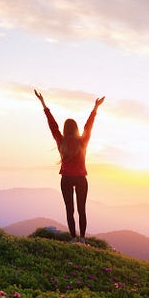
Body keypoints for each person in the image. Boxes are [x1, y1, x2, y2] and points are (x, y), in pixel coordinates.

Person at [35, 89, 105, 243]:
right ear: (76, 129)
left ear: (65, 129)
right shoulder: (82, 141)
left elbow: (52, 125)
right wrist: (95, 108)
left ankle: (73, 238)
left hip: (66, 178)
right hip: (81, 179)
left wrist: (43, 103)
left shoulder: (61, 141)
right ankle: (82, 239)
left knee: (70, 210)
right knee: (82, 210)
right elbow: (89, 126)